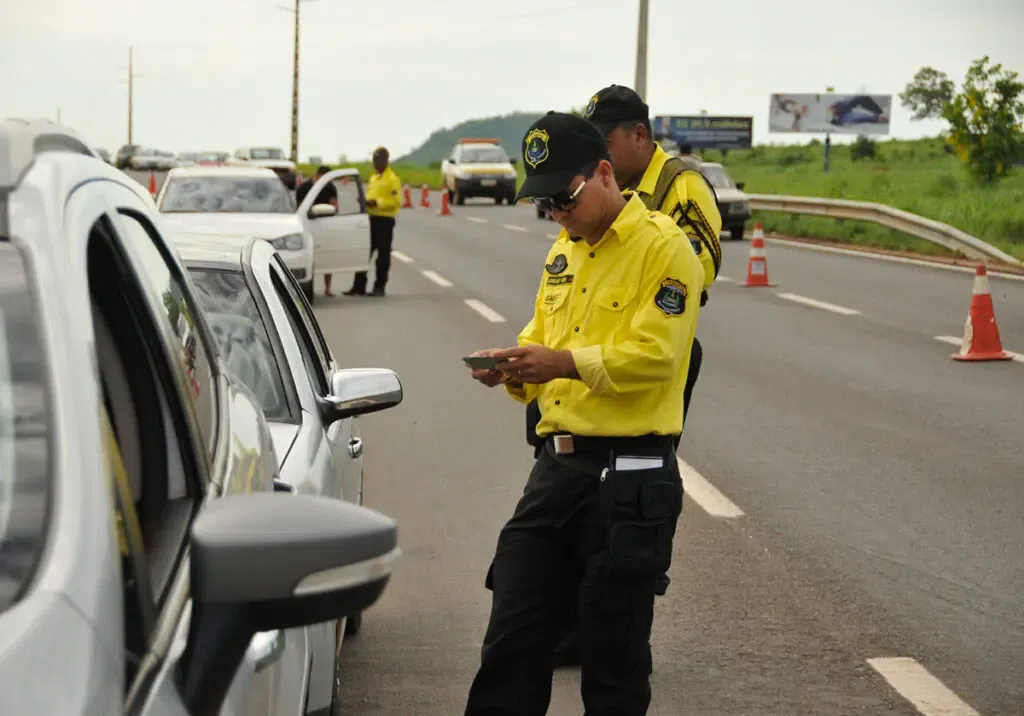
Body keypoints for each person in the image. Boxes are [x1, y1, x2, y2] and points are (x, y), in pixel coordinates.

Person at [463, 111, 704, 715]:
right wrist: (512, 367)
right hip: (556, 471)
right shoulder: (562, 254)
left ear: (603, 172)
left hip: (630, 477)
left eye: (564, 197)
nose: (558, 214)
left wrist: (562, 364)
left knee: (612, 659)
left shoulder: (666, 249)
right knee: (512, 639)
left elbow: (657, 356)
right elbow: (541, 336)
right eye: (545, 204)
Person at [537, 84, 724, 668]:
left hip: (652, 346)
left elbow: (697, 271)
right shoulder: (590, 189)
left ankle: (617, 608)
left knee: (630, 492)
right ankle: (571, 615)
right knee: (563, 475)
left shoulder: (679, 188)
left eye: (608, 141)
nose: (601, 154)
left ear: (639, 136)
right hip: (579, 352)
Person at [344, 146, 402, 297]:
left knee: (382, 256)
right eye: (373, 160)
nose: (374, 163)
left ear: (385, 160)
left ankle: (379, 287)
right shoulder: (374, 177)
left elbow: (395, 202)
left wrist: (376, 203)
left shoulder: (392, 179)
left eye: (376, 160)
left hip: (384, 221)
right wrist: (365, 202)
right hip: (370, 219)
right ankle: (358, 286)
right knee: (363, 253)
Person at [295, 165, 340, 296]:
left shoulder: (330, 187)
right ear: (318, 176)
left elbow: (335, 206)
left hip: (325, 223)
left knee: (328, 255)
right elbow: (298, 209)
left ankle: (328, 288)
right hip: (307, 223)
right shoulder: (304, 187)